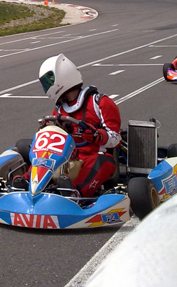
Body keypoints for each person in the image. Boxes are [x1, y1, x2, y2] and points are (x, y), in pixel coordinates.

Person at [36, 54, 122, 197]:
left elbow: (116, 138)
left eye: (48, 81)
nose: (47, 87)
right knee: (43, 154)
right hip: (68, 156)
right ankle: (27, 182)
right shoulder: (59, 109)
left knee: (103, 162)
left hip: (94, 155)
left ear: (62, 77)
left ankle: (74, 193)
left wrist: (97, 135)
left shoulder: (99, 102)